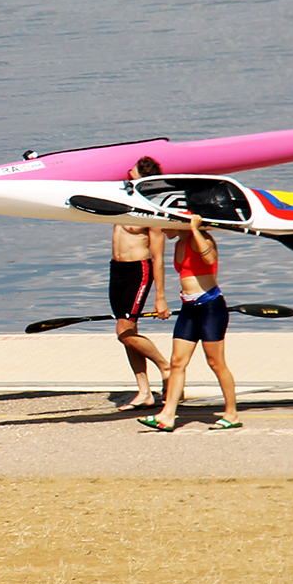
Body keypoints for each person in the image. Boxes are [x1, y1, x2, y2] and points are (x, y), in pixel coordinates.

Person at [139, 212, 240, 431]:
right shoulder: (179, 244)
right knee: (177, 362)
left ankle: (231, 414)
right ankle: (167, 415)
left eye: (166, 226)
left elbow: (210, 259)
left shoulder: (201, 238)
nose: (163, 231)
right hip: (188, 309)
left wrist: (195, 228)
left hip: (210, 308)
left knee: (216, 363)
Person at [110, 157, 170, 409]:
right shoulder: (121, 199)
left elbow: (158, 258)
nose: (126, 173)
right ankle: (144, 391)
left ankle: (167, 368)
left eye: (131, 171)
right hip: (117, 270)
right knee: (128, 333)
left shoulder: (151, 209)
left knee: (123, 333)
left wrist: (160, 297)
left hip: (139, 270)